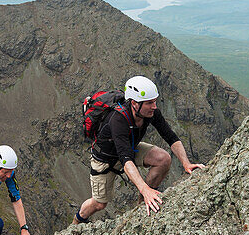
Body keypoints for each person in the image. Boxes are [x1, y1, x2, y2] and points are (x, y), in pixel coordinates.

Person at [73, 75, 204, 223]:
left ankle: (142, 206)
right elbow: (125, 159)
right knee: (99, 203)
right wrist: (144, 188)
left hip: (129, 148)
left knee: (163, 159)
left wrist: (186, 163)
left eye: (154, 101)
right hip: (105, 159)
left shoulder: (150, 112)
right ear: (134, 103)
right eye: (149, 103)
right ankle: (77, 221)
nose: (154, 106)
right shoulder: (118, 119)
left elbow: (170, 137)